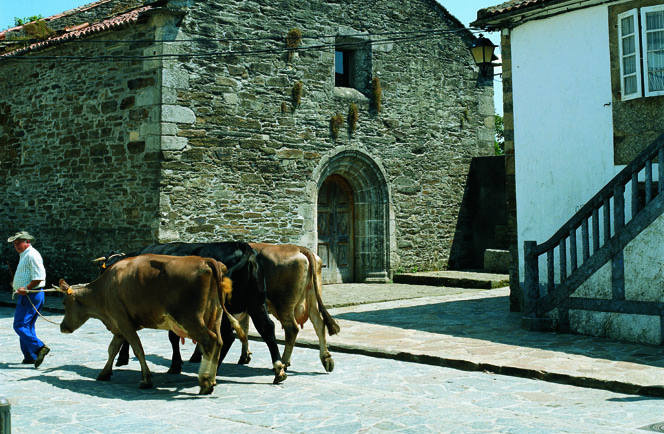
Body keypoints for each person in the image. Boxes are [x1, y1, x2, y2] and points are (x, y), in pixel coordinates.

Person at [8, 231, 50, 368]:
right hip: (29, 294)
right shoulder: (25, 254)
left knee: (19, 325)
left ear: (27, 242)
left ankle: (39, 348)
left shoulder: (32, 255)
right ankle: (30, 356)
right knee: (27, 326)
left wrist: (26, 288)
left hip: (31, 294)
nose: (16, 246)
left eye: (18, 242)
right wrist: (17, 284)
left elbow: (39, 276)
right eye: (15, 243)